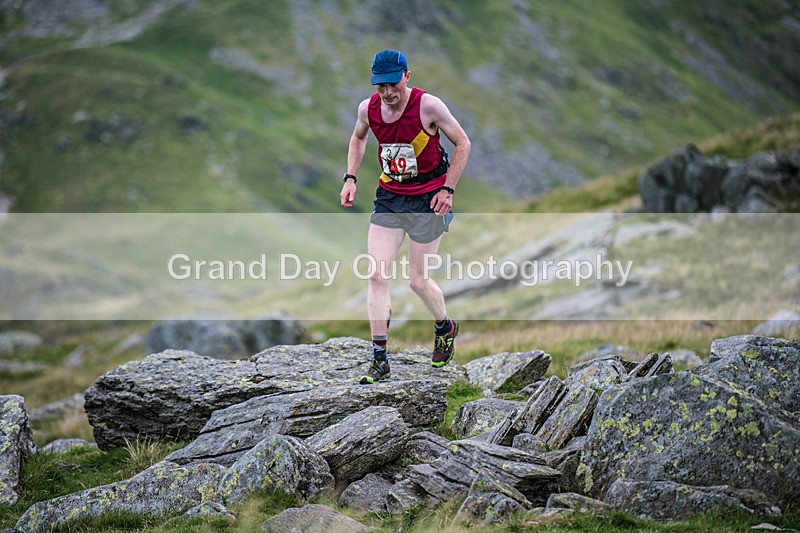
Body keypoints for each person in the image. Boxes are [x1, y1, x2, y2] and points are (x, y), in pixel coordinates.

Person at [340, 49, 471, 384]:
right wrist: (350, 177)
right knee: (376, 275)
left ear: (407, 77)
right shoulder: (367, 109)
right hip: (390, 198)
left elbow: (463, 144)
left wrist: (448, 190)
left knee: (417, 281)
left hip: (429, 200)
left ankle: (445, 326)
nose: (387, 92)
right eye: (380, 85)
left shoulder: (429, 106)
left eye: (393, 83)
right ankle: (379, 359)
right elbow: (358, 137)